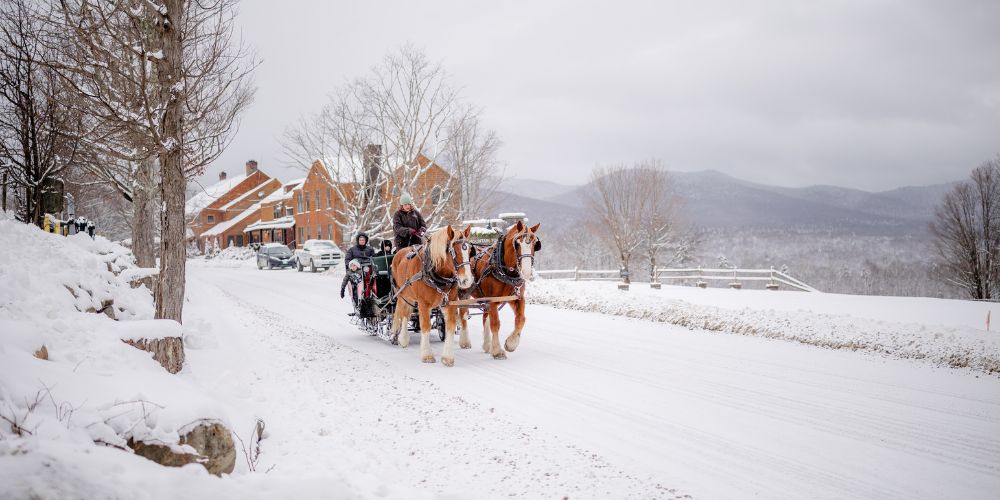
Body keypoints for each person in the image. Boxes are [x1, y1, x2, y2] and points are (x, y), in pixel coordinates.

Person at [341, 233, 374, 299]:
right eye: (360, 240)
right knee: (357, 281)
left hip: (368, 269)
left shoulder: (370, 249)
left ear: (366, 241)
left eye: (363, 240)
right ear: (358, 241)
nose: (362, 241)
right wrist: (352, 268)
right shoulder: (352, 250)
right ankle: (357, 297)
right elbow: (347, 260)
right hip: (356, 270)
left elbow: (374, 258)